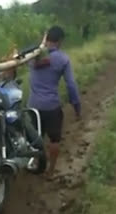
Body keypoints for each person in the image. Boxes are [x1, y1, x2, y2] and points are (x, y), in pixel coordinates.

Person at [28, 26, 81, 178]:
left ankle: (35, 163)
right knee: (54, 139)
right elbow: (71, 85)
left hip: (32, 106)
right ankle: (50, 171)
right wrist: (76, 107)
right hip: (51, 106)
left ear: (46, 38)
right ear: (60, 41)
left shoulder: (33, 56)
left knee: (35, 137)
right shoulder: (63, 59)